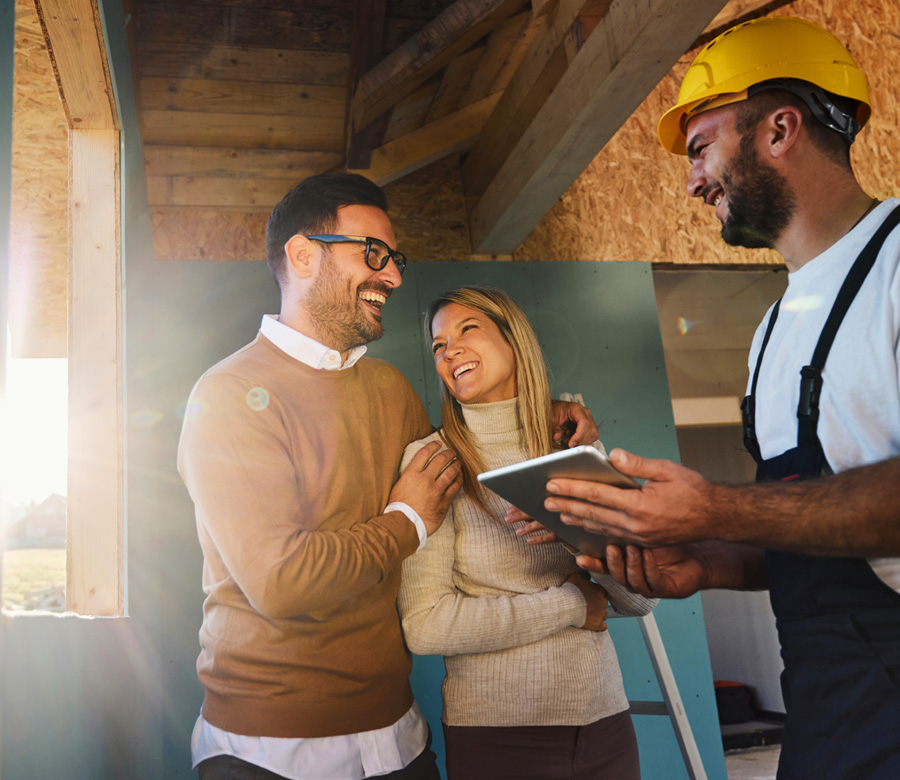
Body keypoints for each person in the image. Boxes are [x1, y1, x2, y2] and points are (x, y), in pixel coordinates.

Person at [528, 17, 900, 780]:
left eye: (701, 149)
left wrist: (714, 509)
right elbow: (809, 530)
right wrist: (704, 560)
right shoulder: (773, 330)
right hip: (830, 714)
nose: (692, 182)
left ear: (780, 129)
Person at [178, 173, 598, 780]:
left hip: (399, 737)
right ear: (302, 255)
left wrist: (555, 410)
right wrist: (407, 520)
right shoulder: (226, 394)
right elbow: (282, 581)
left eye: (394, 259)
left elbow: (464, 454)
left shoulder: (392, 391)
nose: (394, 277)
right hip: (265, 750)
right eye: (373, 253)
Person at [398, 286, 656, 780]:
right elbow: (425, 625)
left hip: (605, 720)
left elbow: (642, 598)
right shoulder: (433, 461)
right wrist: (573, 604)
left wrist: (573, 532)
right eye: (437, 345)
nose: (449, 350)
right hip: (499, 736)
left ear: (514, 339)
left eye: (467, 329)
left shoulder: (572, 442)